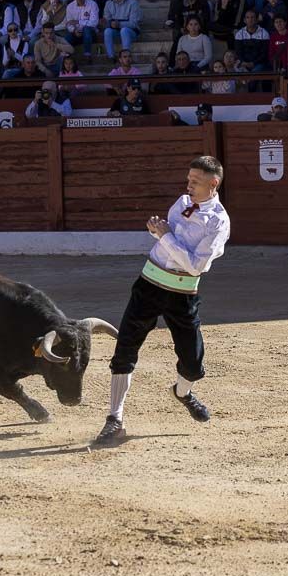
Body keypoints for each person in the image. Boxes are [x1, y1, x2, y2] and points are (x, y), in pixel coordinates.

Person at [97, 155, 231, 443]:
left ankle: (181, 392)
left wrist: (165, 236)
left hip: (182, 294)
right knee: (125, 349)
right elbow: (167, 243)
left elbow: (196, 266)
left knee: (193, 364)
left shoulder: (219, 222)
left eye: (195, 181)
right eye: (188, 179)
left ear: (214, 183)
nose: (189, 185)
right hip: (148, 284)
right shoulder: (181, 204)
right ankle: (115, 418)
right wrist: (156, 230)